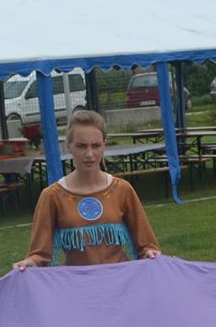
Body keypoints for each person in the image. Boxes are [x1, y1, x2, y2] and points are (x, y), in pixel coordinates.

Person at [13, 110, 162, 271]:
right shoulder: (52, 196)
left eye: (96, 145)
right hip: (77, 286)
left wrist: (150, 253)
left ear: (104, 144)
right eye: (81, 146)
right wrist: (30, 263)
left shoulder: (122, 189)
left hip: (121, 284)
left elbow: (147, 245)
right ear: (68, 146)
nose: (89, 154)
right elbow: (39, 255)